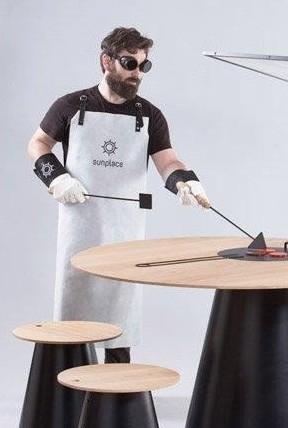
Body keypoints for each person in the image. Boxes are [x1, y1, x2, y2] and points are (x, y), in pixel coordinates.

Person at [28, 27, 210, 363]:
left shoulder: (150, 115)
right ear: (106, 61)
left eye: (144, 65)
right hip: (79, 222)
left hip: (126, 227)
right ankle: (71, 381)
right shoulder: (70, 105)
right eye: (130, 63)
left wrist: (184, 181)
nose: (137, 73)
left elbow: (168, 160)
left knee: (120, 309)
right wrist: (56, 178)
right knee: (74, 307)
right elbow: (37, 144)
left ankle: (116, 385)